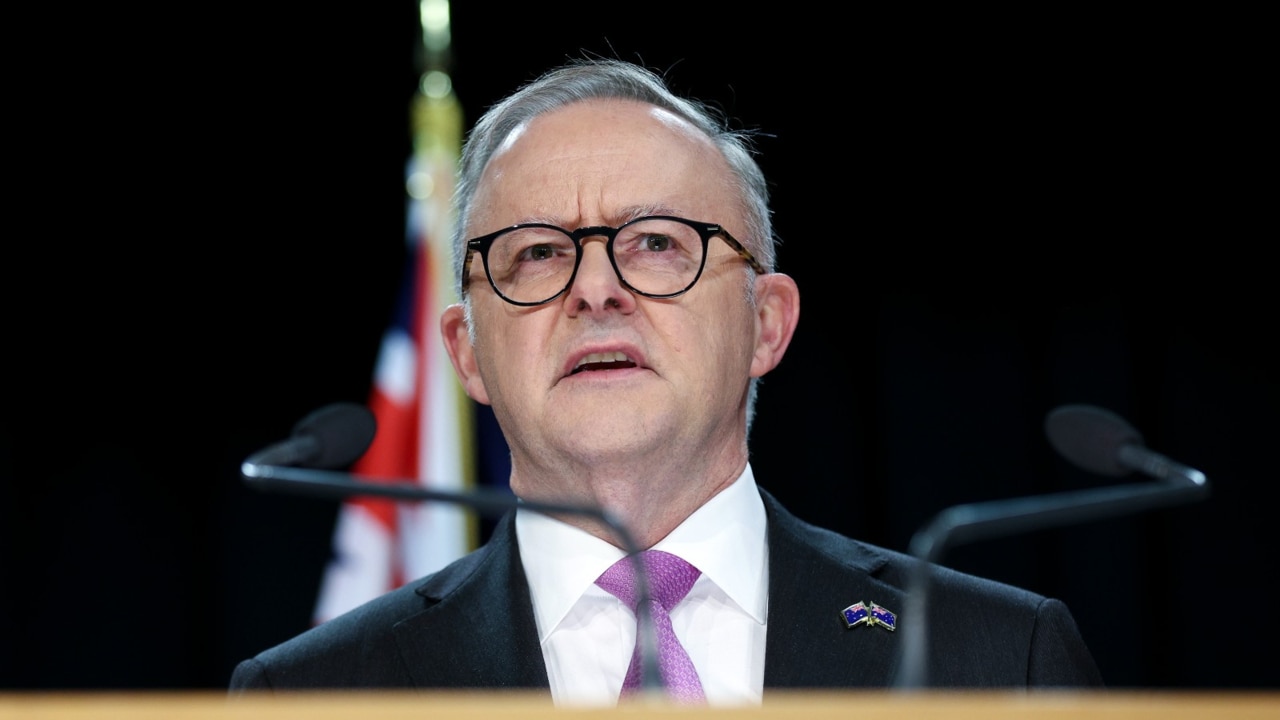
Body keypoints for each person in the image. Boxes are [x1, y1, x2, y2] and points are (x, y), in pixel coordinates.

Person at [229, 57, 1103, 703]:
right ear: (466, 352)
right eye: (538, 253)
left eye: (657, 244)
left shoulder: (997, 656)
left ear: (766, 324)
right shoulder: (318, 695)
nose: (595, 289)